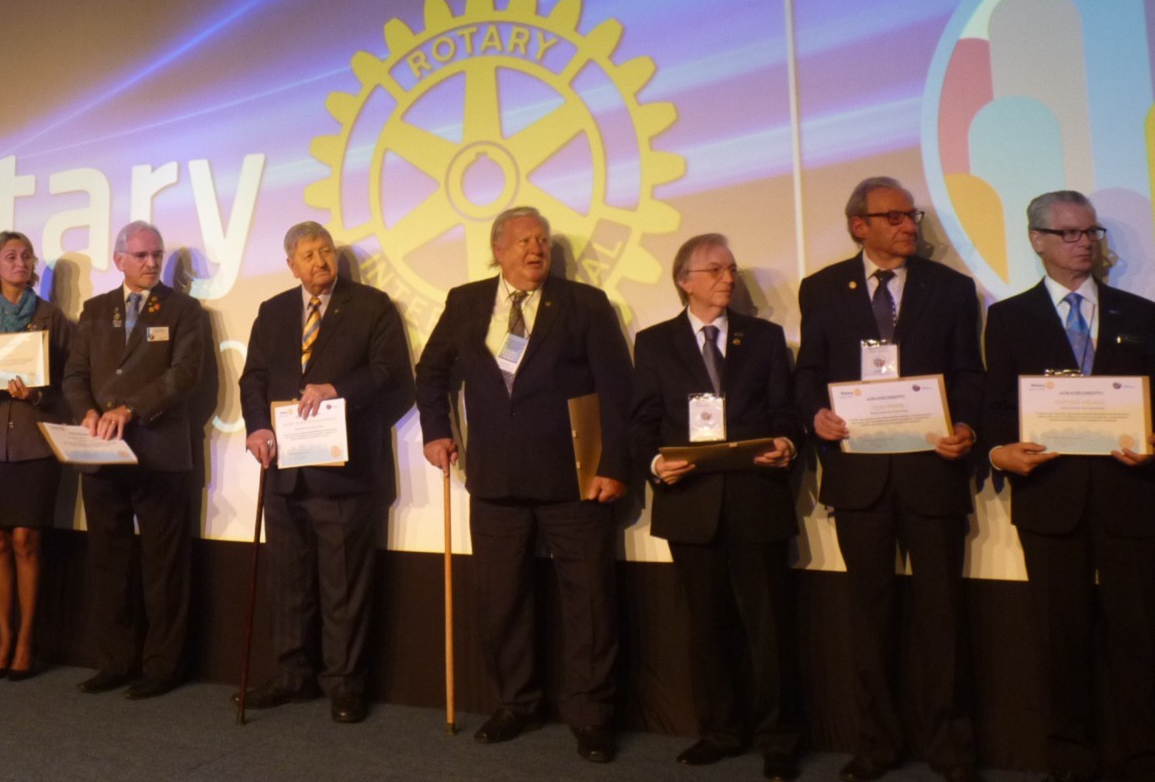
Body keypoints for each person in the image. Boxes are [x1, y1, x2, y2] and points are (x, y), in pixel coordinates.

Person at [415, 205, 630, 765]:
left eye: (542, 240)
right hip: (494, 480)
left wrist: (614, 465)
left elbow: (617, 390)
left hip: (574, 480)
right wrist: (436, 431)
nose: (536, 249)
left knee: (589, 602)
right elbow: (431, 371)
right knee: (501, 599)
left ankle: (591, 715)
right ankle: (516, 703)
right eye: (524, 241)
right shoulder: (466, 302)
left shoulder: (584, 304)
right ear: (498, 250)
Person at [795, 177, 983, 782]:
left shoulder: (950, 288)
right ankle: (877, 744)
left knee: (942, 618)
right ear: (860, 226)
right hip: (860, 480)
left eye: (912, 215)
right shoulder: (822, 288)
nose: (909, 226)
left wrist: (969, 427)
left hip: (932, 474)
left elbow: (969, 373)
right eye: (895, 217)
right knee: (868, 618)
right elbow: (809, 373)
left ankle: (950, 748)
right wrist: (815, 416)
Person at [985, 190, 1155, 782]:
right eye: (1070, 233)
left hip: (1130, 496)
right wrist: (999, 451)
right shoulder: (1008, 318)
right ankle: (1070, 757)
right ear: (1037, 240)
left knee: (1139, 634)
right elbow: (997, 406)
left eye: (1092, 232)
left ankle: (1142, 756)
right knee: (1060, 636)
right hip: (1049, 496)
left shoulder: (1141, 313)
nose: (1085, 243)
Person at [630, 233, 803, 782]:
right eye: (716, 270)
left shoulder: (765, 338)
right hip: (690, 504)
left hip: (756, 500)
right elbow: (642, 421)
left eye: (732, 269)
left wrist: (787, 443)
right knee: (704, 628)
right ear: (685, 281)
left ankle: (778, 739)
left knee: (769, 629)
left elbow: (787, 411)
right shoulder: (654, 343)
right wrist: (654, 465)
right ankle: (721, 732)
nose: (729, 278)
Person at [237, 221, 412, 724]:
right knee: (288, 582)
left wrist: (338, 390)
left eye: (326, 251)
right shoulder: (273, 311)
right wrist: (256, 427)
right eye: (309, 255)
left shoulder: (371, 306)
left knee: (344, 587)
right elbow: (254, 379)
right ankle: (292, 675)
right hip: (285, 471)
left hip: (345, 472)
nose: (320, 261)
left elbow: (392, 375)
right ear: (291, 265)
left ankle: (345, 684)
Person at [63, 221, 205, 700]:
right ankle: (115, 661)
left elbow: (184, 374)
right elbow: (75, 375)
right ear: (119, 259)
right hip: (102, 454)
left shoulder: (184, 309)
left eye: (157, 255)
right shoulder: (95, 309)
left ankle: (162, 667)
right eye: (142, 255)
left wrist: (130, 409)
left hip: (159, 454)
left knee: (163, 568)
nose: (151, 263)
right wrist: (87, 412)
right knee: (110, 564)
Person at [0, 231, 73, 682]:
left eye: (26, 256)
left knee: (26, 539)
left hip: (33, 440)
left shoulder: (52, 318)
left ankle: (26, 640)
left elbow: (71, 384)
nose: (20, 262)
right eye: (11, 256)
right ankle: (3, 638)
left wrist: (38, 394)